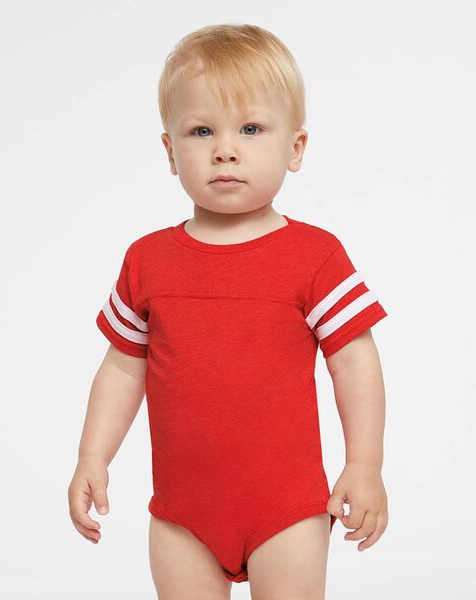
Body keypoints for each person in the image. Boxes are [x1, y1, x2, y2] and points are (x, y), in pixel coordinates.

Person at [68, 23, 389, 600]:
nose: (225, 149)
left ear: (295, 148)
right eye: (201, 131)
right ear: (170, 152)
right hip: (181, 515)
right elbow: (122, 367)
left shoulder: (314, 256)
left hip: (286, 510)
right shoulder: (147, 260)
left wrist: (365, 464)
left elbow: (355, 363)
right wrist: (92, 454)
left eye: (250, 128)